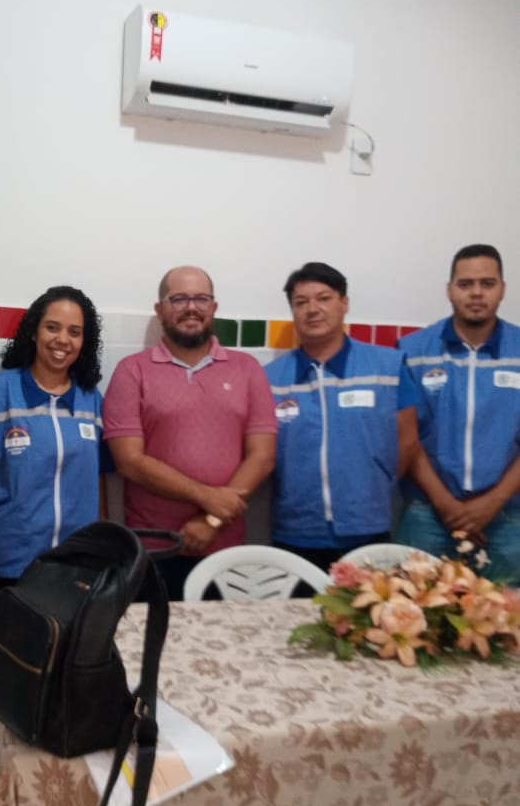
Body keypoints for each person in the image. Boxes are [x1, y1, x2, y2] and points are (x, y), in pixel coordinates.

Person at [102, 266, 277, 601]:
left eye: (201, 298)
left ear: (214, 307)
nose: (191, 307)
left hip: (226, 550)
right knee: (152, 635)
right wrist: (207, 497)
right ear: (160, 309)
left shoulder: (247, 369)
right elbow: (129, 461)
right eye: (179, 299)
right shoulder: (131, 371)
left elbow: (262, 456)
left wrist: (210, 520)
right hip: (153, 549)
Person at [0, 285, 108, 608]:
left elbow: (99, 477)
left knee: (70, 641)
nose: (62, 340)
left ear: (84, 341)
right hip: (7, 560)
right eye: (52, 327)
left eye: (74, 332)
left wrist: (103, 544)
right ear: (34, 332)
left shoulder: (92, 401)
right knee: (9, 641)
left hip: (76, 563)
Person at [264, 261, 419, 573]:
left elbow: (408, 438)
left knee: (370, 606)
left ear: (344, 303)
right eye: (301, 302)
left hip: (368, 531)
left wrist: (375, 484)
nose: (312, 309)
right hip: (295, 533)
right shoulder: (270, 378)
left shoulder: (387, 366)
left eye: (324, 298)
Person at [397, 244, 520, 583]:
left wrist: (491, 503)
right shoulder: (413, 350)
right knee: (414, 611)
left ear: (502, 289)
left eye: (487, 283)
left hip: (508, 517)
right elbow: (408, 439)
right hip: (427, 514)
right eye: (466, 284)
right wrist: (447, 505)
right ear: (450, 290)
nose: (476, 293)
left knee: (505, 615)